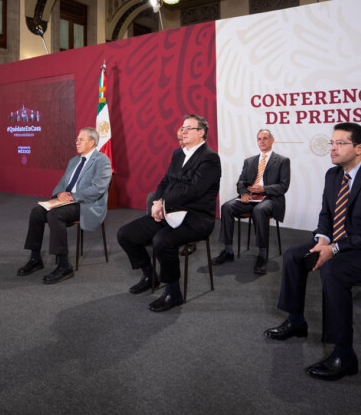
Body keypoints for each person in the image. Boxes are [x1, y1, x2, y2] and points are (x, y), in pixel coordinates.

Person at [264, 122, 361, 381]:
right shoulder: (333, 175)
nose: (333, 148)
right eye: (332, 143)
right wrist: (323, 238)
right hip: (338, 241)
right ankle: (296, 321)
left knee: (333, 270)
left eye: (340, 143)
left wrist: (334, 249)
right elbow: (326, 214)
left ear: (359, 149)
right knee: (294, 256)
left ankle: (344, 353)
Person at [118, 114, 221, 312]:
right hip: (168, 211)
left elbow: (193, 191)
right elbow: (165, 181)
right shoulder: (178, 154)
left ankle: (173, 293)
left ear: (201, 132)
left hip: (196, 218)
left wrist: (162, 204)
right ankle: (150, 275)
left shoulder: (210, 158)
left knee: (162, 241)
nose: (183, 131)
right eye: (182, 127)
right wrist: (158, 200)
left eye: (188, 128)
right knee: (126, 234)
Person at [16, 127, 112, 284]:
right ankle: (35, 258)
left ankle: (64, 265)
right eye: (77, 140)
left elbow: (98, 189)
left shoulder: (102, 160)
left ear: (92, 142)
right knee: (36, 212)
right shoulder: (73, 161)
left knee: (54, 215)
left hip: (87, 203)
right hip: (66, 200)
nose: (77, 142)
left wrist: (73, 197)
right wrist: (60, 194)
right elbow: (62, 183)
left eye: (81, 139)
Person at [213, 129, 290, 274]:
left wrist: (263, 189)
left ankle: (262, 255)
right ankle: (228, 251)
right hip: (251, 197)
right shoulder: (249, 161)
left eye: (265, 138)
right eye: (259, 139)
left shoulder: (282, 161)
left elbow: (283, 186)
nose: (262, 141)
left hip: (270, 198)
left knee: (259, 210)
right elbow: (241, 182)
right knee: (226, 207)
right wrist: (243, 193)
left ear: (272, 140)